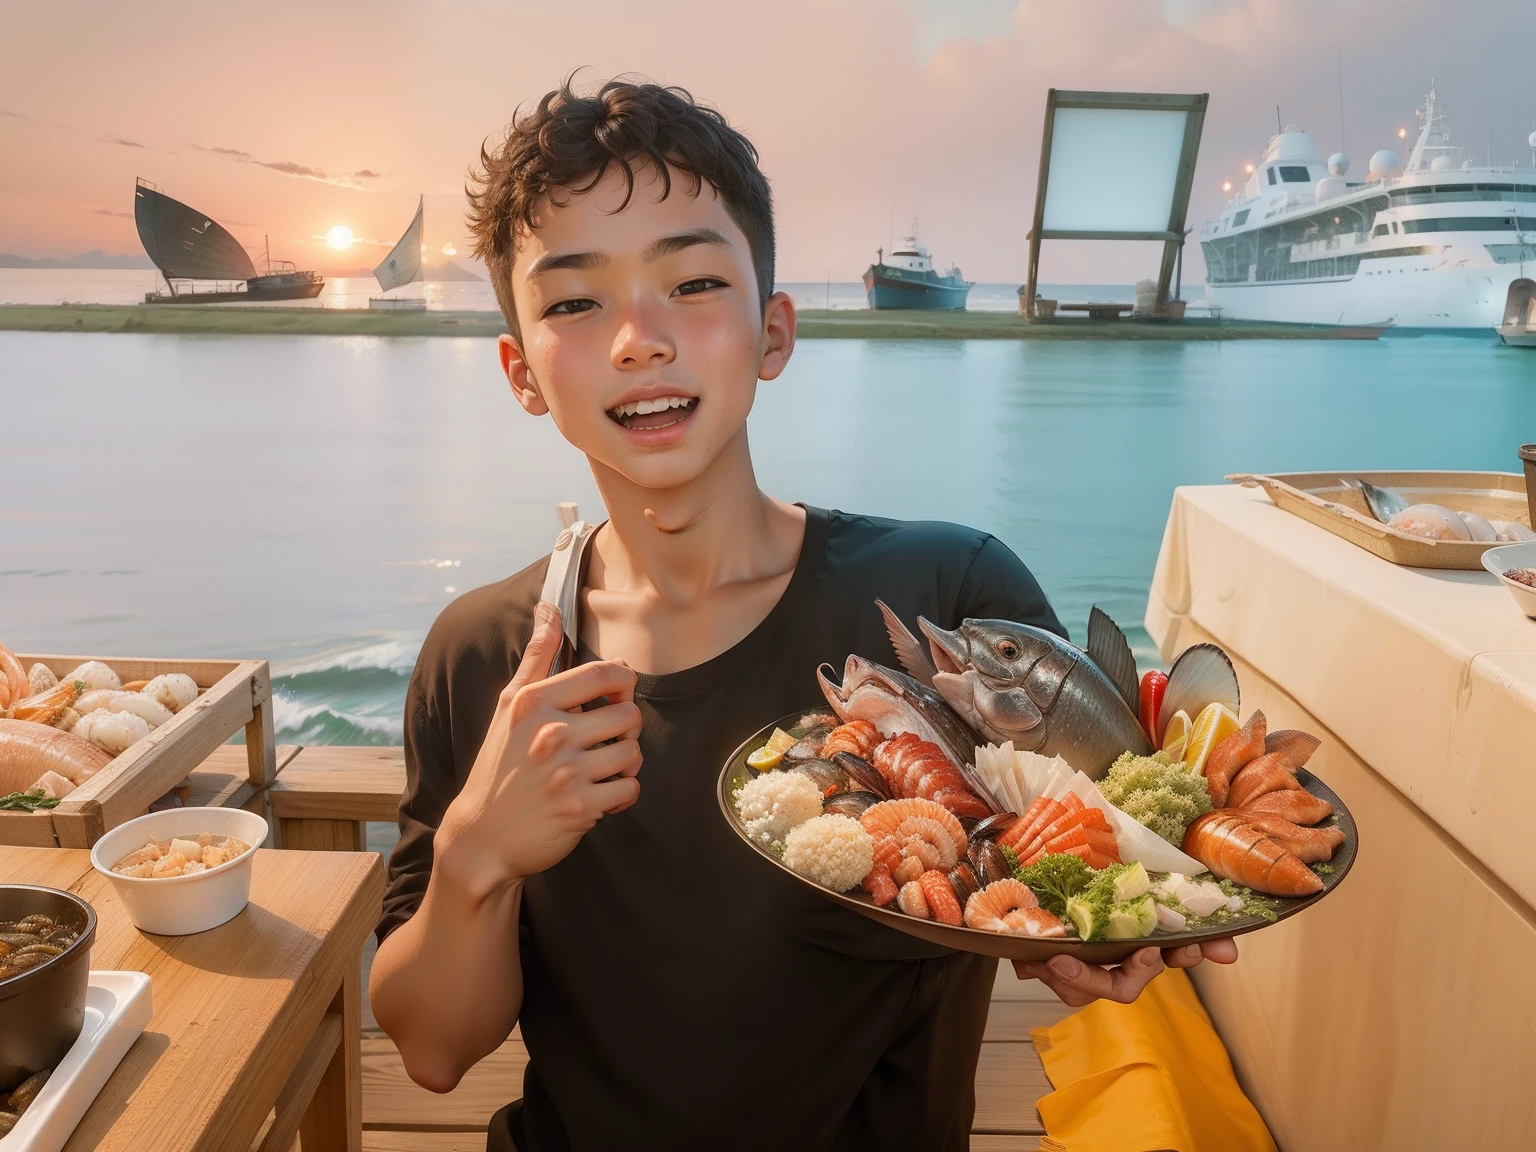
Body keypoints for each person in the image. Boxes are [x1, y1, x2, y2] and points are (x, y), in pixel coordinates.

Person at [368, 76, 1236, 1152]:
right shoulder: (484, 655)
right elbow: (434, 1051)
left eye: (691, 282)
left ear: (772, 332)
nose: (640, 337)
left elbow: (1073, 864)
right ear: (522, 370)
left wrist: (1093, 933)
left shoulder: (947, 601)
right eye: (575, 301)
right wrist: (474, 855)